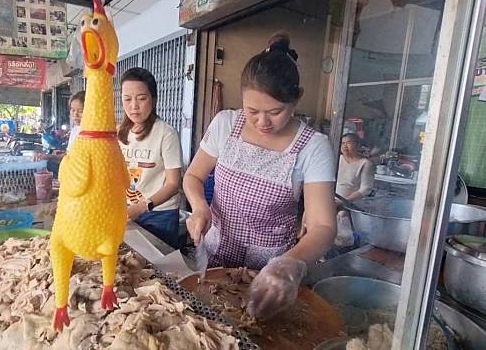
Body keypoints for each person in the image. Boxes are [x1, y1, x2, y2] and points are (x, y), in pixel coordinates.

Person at [183, 33, 336, 319]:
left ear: (297, 98)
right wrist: (200, 207)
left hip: (271, 269)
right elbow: (193, 176)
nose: (262, 122)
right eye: (252, 110)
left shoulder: (314, 146)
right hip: (217, 250)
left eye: (275, 112)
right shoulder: (225, 123)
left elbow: (323, 225)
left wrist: (290, 264)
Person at [118, 68, 184, 249]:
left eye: (141, 98)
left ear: (153, 100)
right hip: (126, 209)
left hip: (159, 214)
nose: (134, 106)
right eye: (127, 99)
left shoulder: (166, 133)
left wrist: (141, 207)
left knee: (161, 267)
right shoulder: (119, 133)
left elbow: (173, 184)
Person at [34, 91, 85, 174]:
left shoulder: (93, 132)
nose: (75, 115)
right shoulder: (75, 130)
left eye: (80, 111)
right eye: (73, 110)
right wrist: (47, 157)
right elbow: (68, 157)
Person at [336, 133, 374, 203]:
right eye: (342, 143)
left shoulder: (365, 163)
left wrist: (344, 202)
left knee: (342, 214)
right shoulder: (337, 159)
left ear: (357, 145)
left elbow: (365, 189)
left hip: (351, 204)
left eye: (348, 143)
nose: (345, 146)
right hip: (332, 200)